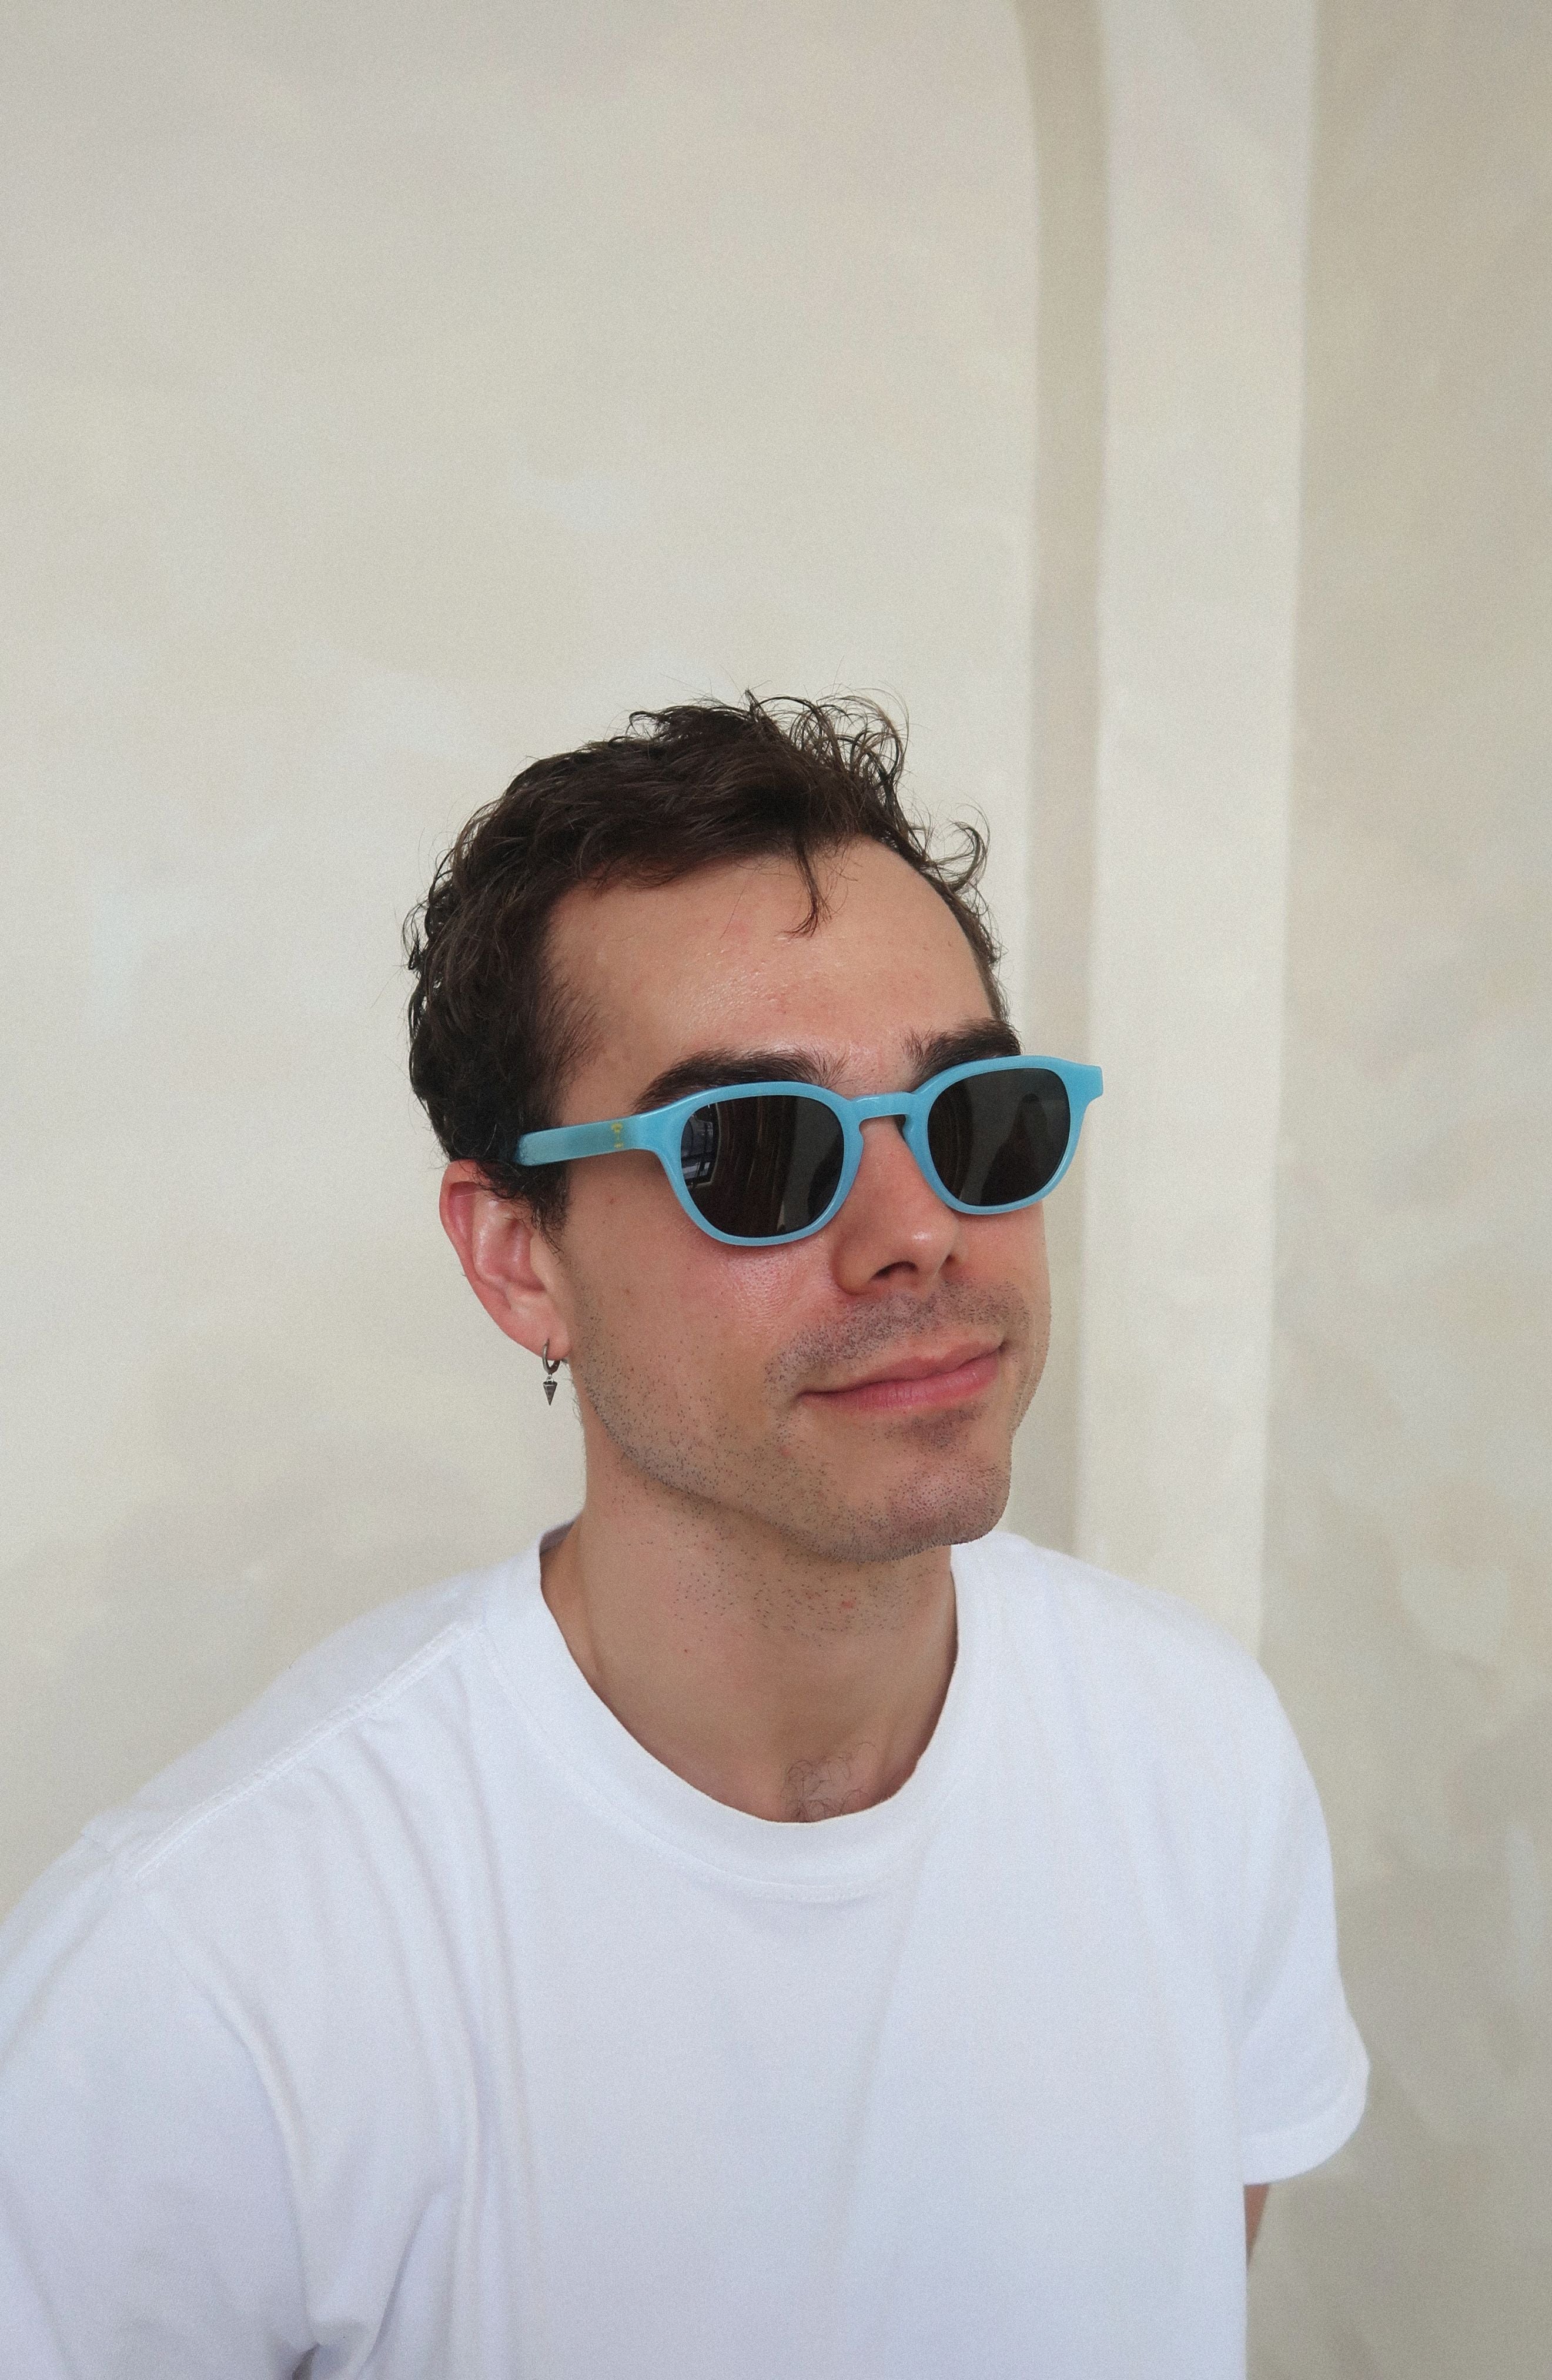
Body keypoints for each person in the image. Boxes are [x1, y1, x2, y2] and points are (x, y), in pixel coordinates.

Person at [0, 696, 1366, 2378]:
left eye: (976, 1117)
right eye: (756, 1152)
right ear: (521, 1259)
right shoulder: (204, 1979)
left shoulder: (1199, 1757)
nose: (920, 1232)